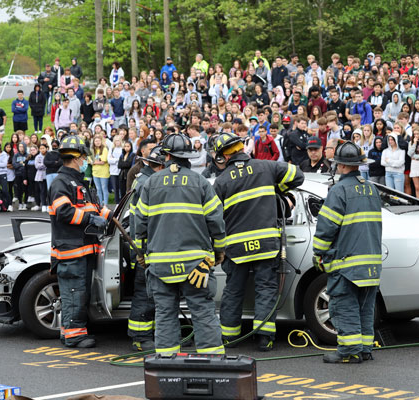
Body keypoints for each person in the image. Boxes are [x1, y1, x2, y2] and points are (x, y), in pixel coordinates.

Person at [134, 133, 226, 355]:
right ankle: (212, 362)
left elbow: (139, 223)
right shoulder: (200, 182)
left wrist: (140, 253)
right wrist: (219, 250)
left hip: (160, 265)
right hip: (196, 266)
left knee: (165, 313)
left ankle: (166, 363)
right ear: (190, 157)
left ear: (165, 155)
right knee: (203, 311)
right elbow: (216, 219)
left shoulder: (151, 183)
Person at [213, 132, 304, 351]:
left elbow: (213, 217)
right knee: (266, 289)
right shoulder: (267, 167)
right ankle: (264, 338)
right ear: (242, 148)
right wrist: (277, 189)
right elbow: (298, 175)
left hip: (236, 249)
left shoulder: (221, 181)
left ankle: (229, 337)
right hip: (265, 245)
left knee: (233, 291)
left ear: (223, 157)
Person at [312, 141, 382, 363]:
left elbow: (327, 227)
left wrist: (318, 253)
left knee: (344, 305)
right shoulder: (372, 189)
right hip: (371, 263)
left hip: (347, 262)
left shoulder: (339, 190)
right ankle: (365, 349)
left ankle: (349, 353)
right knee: (365, 307)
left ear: (341, 166)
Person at [49, 135, 111, 348]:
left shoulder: (79, 183)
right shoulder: (61, 182)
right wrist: (90, 219)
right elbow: (63, 212)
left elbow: (93, 207)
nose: (85, 162)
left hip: (82, 249)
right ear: (77, 159)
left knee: (79, 292)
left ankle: (69, 331)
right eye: (84, 158)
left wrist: (111, 215)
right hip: (71, 251)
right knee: (74, 293)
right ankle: (74, 335)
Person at [127, 145, 164, 351]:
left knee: (152, 292)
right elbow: (141, 223)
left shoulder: (142, 179)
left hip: (144, 246)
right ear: (159, 166)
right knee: (145, 293)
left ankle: (152, 335)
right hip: (147, 248)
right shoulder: (148, 183)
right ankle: (141, 337)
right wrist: (142, 252)